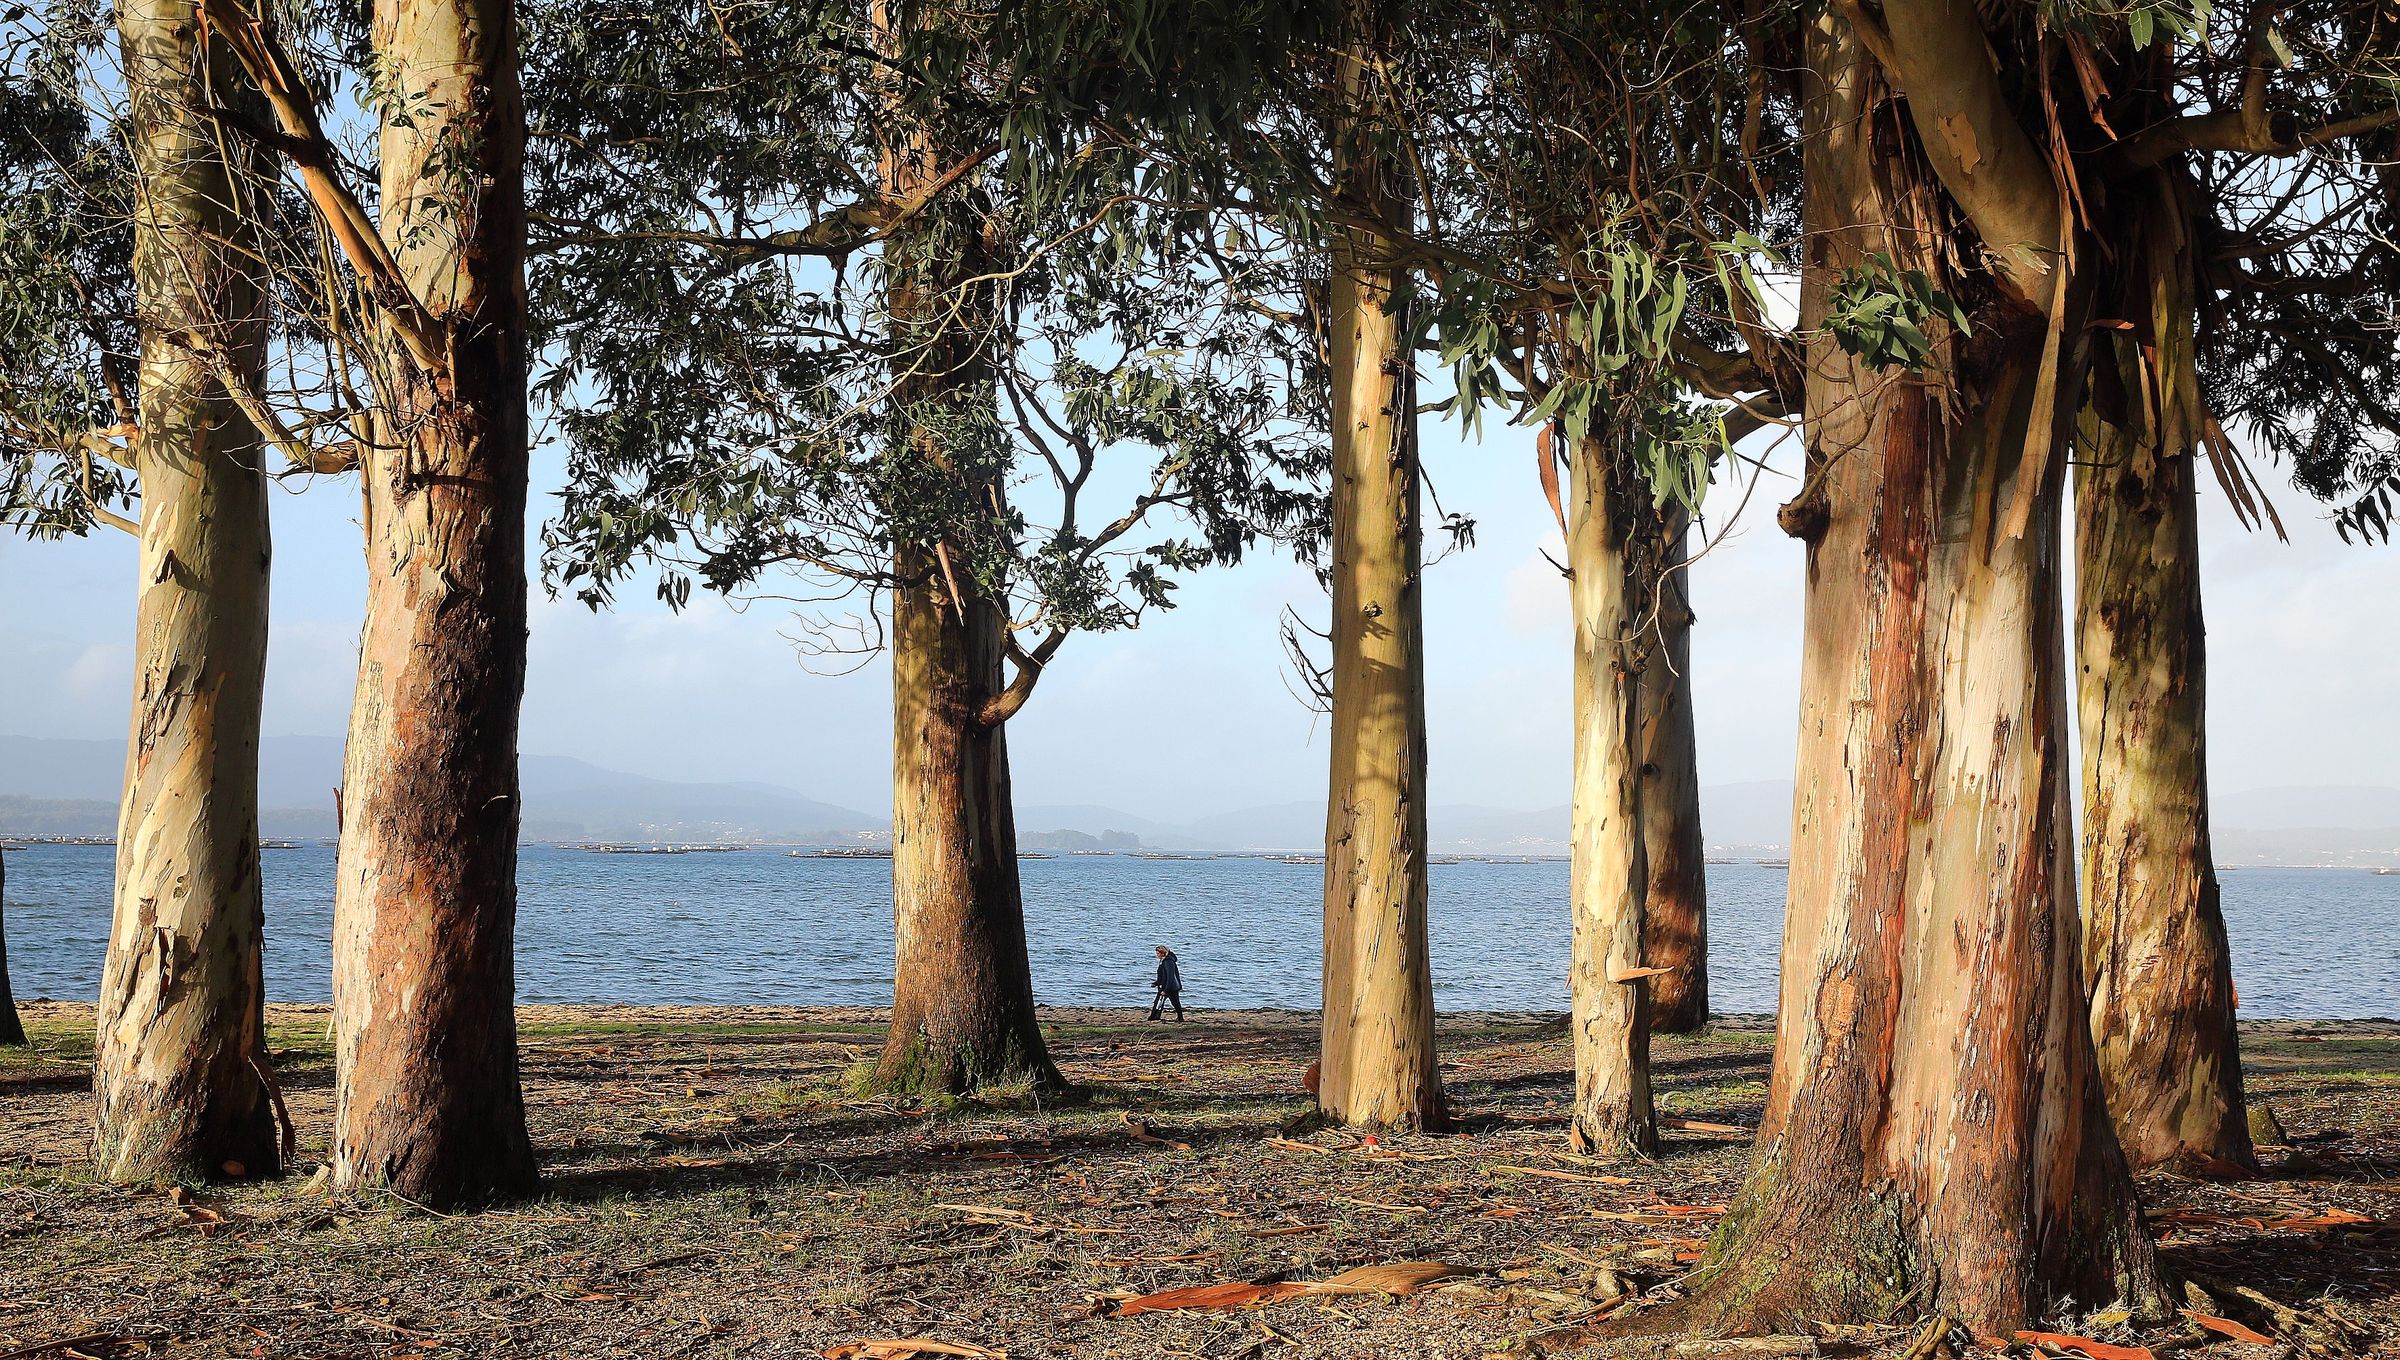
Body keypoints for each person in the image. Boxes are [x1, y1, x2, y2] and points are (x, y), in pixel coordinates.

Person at [1148, 945, 1184, 1022]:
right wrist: (1157, 983)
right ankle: (1155, 1017)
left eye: (1158, 953)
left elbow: (1170, 976)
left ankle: (1154, 1017)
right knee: (1160, 1002)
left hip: (1169, 987)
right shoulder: (1163, 961)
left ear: (1162, 953)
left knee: (1174, 1003)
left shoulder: (1168, 962)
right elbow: (1162, 975)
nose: (1157, 955)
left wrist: (1166, 990)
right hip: (1165, 985)